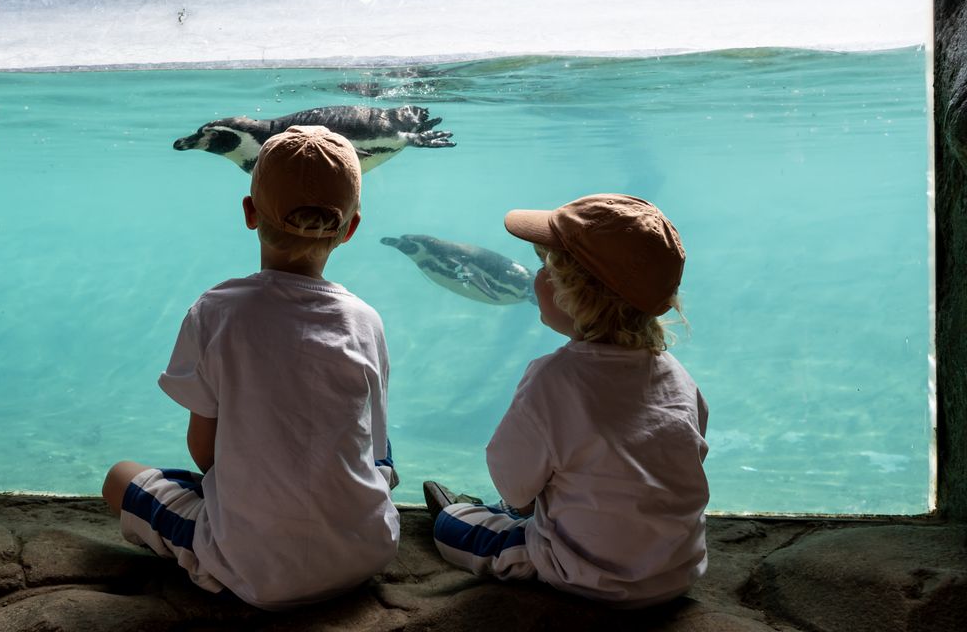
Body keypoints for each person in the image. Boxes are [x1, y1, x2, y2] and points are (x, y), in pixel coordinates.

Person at [103, 125, 400, 611]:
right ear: (350, 228)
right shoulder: (366, 321)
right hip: (366, 551)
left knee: (120, 476)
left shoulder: (216, 312)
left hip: (252, 568)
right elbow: (374, 441)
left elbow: (204, 453)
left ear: (249, 213)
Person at [424, 193, 708, 608]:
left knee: (455, 527)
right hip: (677, 569)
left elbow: (513, 484)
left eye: (545, 267)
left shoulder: (553, 378)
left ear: (574, 294)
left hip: (586, 571)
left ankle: (469, 516)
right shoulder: (679, 378)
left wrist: (522, 503)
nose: (536, 276)